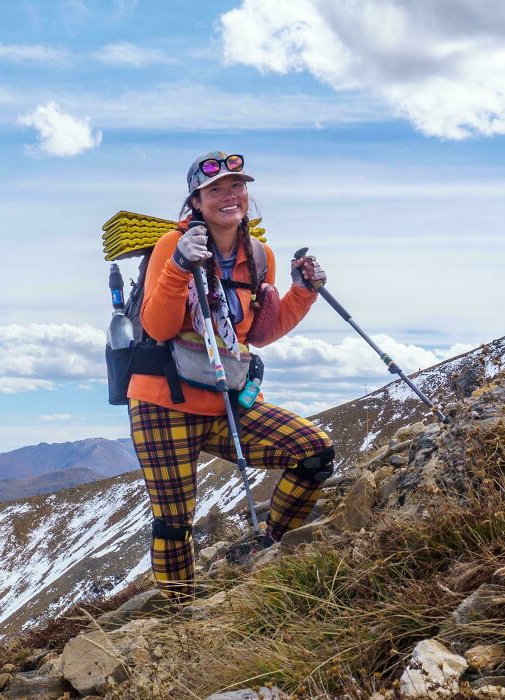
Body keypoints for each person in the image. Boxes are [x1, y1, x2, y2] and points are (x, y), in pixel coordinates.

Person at [127, 151, 334, 601]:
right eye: (215, 189)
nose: (229, 195)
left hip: (228, 400)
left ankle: (273, 549)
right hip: (164, 401)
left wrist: (302, 293)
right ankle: (180, 617)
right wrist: (181, 267)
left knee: (313, 452)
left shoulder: (259, 255)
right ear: (196, 202)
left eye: (237, 186)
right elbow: (158, 327)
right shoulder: (170, 245)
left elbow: (259, 333)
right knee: (174, 519)